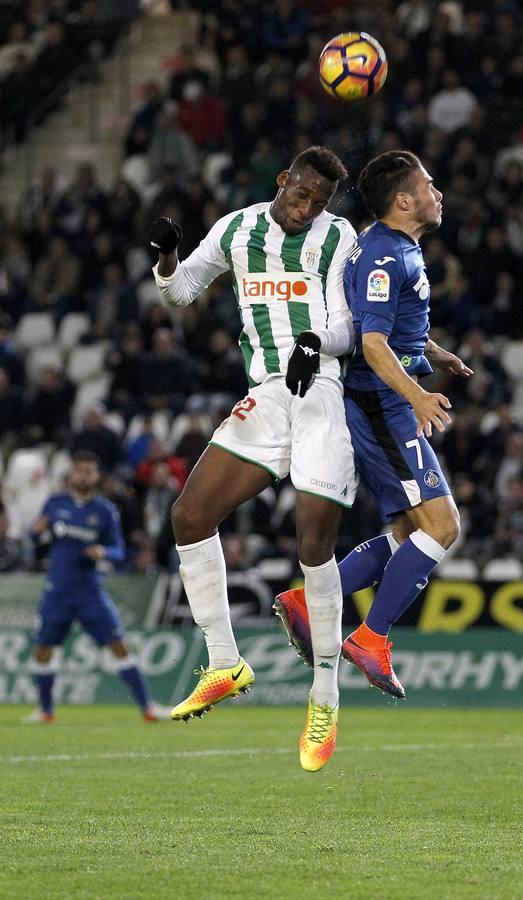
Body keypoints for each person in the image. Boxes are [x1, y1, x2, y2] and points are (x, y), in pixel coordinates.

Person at [149, 146, 358, 772]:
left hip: (320, 392)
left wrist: (316, 342)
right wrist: (164, 258)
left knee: (313, 547)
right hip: (267, 396)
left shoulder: (338, 237)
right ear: (282, 181)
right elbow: (180, 295)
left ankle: (325, 697)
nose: (307, 208)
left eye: (318, 201)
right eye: (301, 194)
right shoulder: (237, 229)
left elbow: (350, 326)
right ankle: (222, 661)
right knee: (189, 516)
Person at [275, 150, 472, 697]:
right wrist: (417, 394)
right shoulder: (388, 256)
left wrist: (436, 352)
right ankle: (370, 637)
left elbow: (387, 323)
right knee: (443, 528)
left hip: (380, 400)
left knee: (410, 532)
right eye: (429, 185)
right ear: (404, 200)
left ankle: (307, 600)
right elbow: (372, 342)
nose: (439, 193)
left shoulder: (392, 249)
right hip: (381, 406)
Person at [23, 451, 167, 724]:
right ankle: (45, 711)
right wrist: (35, 529)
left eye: (89, 471)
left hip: (90, 591)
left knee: (119, 645)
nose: (84, 476)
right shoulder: (55, 503)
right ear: (72, 474)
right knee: (43, 648)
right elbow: (35, 537)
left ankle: (148, 707)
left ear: (96, 476)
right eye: (80, 471)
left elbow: (118, 550)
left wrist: (103, 551)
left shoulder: (104, 511)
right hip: (57, 591)